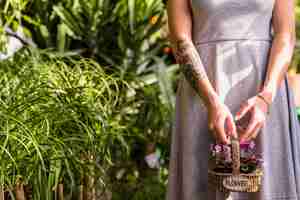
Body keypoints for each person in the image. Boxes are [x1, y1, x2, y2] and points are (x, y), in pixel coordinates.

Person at [166, 0, 300, 199]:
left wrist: (266, 97)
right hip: (203, 90)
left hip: (265, 91)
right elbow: (180, 39)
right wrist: (211, 102)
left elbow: (286, 35)